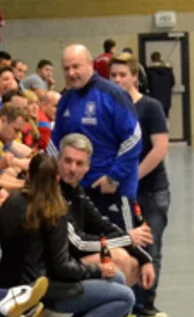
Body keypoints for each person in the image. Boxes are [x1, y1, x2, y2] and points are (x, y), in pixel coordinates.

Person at [0, 146, 141, 317]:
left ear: (27, 175)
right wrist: (98, 271)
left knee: (119, 280)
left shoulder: (9, 204)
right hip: (43, 289)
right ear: (56, 179)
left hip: (9, 283)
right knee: (125, 296)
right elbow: (61, 268)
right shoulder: (54, 210)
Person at [52, 43, 142, 233]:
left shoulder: (113, 94)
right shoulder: (66, 100)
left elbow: (133, 139)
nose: (71, 73)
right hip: (78, 190)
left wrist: (113, 178)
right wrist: (49, 174)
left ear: (90, 65)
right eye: (66, 68)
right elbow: (55, 142)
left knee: (124, 247)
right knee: (88, 250)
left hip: (112, 191)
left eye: (76, 66)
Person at [109, 49, 170, 317]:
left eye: (123, 75)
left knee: (150, 245)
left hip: (151, 189)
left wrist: (131, 175)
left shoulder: (150, 107)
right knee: (125, 243)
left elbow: (159, 149)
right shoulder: (110, 108)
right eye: (113, 75)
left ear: (135, 77)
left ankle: (146, 303)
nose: (118, 80)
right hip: (120, 193)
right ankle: (125, 303)